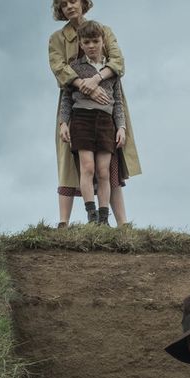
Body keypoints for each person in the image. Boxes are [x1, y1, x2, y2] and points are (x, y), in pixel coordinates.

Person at [47, 0, 142, 227]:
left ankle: (119, 223)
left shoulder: (104, 30)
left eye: (73, 1)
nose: (69, 6)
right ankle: (64, 222)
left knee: (109, 165)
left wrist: (96, 79)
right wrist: (82, 84)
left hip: (107, 98)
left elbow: (118, 61)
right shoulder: (57, 39)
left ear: (82, 1)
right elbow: (58, 68)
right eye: (64, 4)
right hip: (75, 103)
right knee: (72, 163)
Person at [58, 21, 127, 225]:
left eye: (95, 41)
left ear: (102, 41)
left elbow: (118, 101)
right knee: (87, 167)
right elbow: (66, 98)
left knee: (103, 171)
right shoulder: (75, 68)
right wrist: (63, 122)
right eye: (86, 42)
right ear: (80, 43)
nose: (91, 45)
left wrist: (121, 127)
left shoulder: (111, 69)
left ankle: (104, 218)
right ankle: (91, 215)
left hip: (106, 122)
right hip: (81, 120)